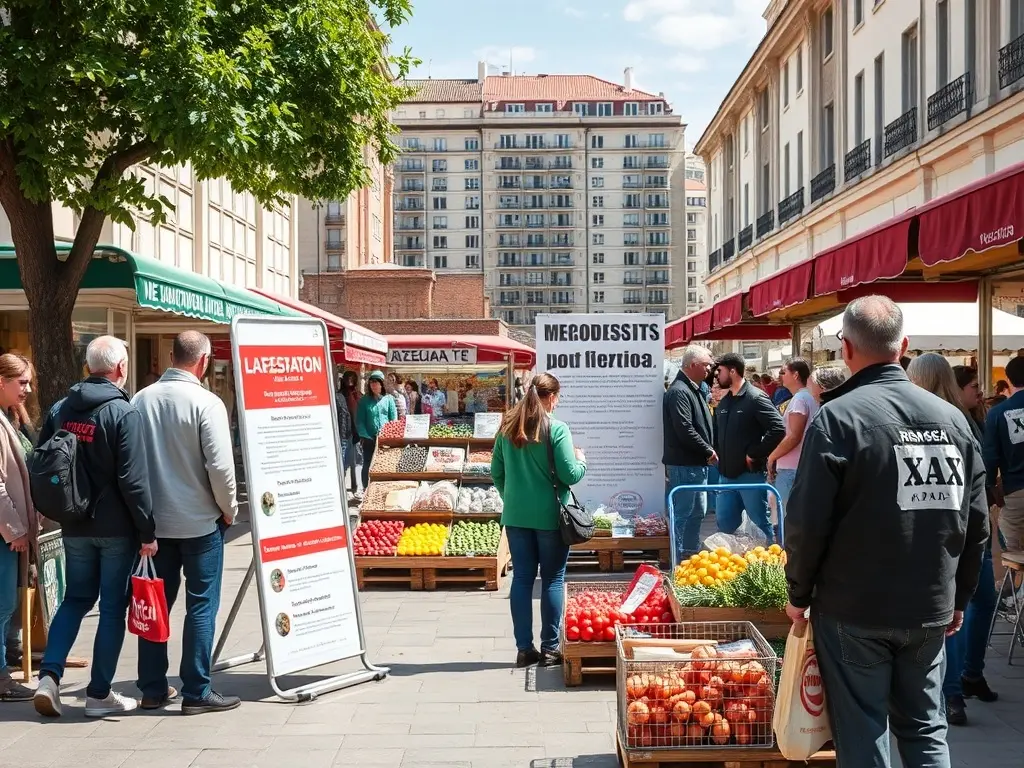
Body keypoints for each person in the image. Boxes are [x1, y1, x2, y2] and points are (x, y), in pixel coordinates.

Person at [785, 295, 988, 768]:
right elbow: (975, 523)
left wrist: (799, 591)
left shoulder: (838, 418)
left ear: (846, 349)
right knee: (925, 729)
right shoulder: (953, 419)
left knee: (863, 731)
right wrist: (959, 596)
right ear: (904, 346)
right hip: (926, 605)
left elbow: (807, 521)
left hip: (855, 607)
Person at [31, 340, 154, 717]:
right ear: (119, 367)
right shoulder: (122, 411)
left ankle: (49, 678)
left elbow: (42, 460)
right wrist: (147, 531)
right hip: (116, 527)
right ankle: (99, 694)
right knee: (113, 608)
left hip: (74, 524)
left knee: (75, 599)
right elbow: (133, 480)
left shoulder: (60, 409)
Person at [132, 331, 240, 715]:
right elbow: (221, 467)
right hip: (199, 523)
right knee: (201, 606)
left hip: (154, 527)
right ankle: (196, 689)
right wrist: (230, 509)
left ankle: (152, 688)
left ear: (171, 356)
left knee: (154, 604)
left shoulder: (140, 399)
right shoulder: (206, 403)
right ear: (203, 361)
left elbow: (129, 467)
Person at [908, 355, 999, 726]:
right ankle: (963, 683)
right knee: (967, 607)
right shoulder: (966, 421)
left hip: (932, 538)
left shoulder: (917, 420)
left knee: (950, 615)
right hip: (964, 533)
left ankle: (949, 693)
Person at [491, 373, 585, 668]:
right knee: (553, 579)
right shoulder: (556, 429)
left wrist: (513, 499)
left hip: (516, 516)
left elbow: (496, 472)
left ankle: (523, 648)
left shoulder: (507, 427)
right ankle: (550, 648)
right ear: (551, 397)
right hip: (550, 516)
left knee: (521, 579)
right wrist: (582, 461)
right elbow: (570, 475)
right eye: (557, 397)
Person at [712, 353, 785, 543]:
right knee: (725, 525)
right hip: (726, 476)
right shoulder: (725, 401)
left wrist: (755, 453)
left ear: (733, 371)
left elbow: (778, 428)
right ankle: (731, 568)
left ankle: (770, 564)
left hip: (750, 475)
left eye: (720, 371)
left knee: (759, 523)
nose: (717, 375)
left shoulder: (755, 397)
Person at [0, 354, 39, 702]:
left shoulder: (10, 417)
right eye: (21, 382)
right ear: (1, 381)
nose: (27, 389)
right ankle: (0, 677)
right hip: (3, 534)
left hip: (9, 532)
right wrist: (14, 529)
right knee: (1, 605)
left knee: (6, 605)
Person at [662, 345, 716, 560]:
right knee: (683, 513)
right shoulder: (679, 391)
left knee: (697, 512)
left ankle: (690, 553)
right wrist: (707, 450)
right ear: (693, 365)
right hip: (685, 465)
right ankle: (678, 558)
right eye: (706, 365)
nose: (709, 369)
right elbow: (684, 428)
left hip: (696, 464)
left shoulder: (693, 388)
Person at [766, 358, 817, 512]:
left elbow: (794, 436)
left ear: (795, 375)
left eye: (784, 372)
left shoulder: (799, 400)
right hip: (803, 465)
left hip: (791, 468)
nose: (781, 376)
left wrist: (772, 457)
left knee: (785, 517)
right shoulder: (810, 397)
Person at [356, 371, 397, 491]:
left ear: (382, 384)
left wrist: (390, 434)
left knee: (385, 464)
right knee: (368, 463)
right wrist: (365, 436)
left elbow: (393, 418)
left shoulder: (389, 399)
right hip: (369, 438)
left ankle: (383, 489)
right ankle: (366, 488)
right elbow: (360, 421)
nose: (373, 385)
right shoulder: (364, 400)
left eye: (376, 383)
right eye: (371, 383)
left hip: (385, 438)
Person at [340, 371, 361, 496]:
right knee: (343, 461)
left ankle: (356, 487)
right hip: (343, 433)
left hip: (356, 432)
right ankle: (342, 487)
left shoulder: (358, 395)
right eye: (348, 378)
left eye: (353, 378)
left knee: (356, 462)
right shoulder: (339, 395)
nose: (350, 380)